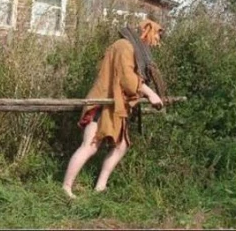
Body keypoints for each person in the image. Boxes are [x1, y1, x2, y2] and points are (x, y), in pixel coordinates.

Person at [62, 18, 165, 199]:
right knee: (90, 146)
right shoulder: (124, 46)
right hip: (104, 103)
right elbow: (127, 79)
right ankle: (66, 187)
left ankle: (100, 187)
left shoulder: (134, 49)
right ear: (147, 30)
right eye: (156, 35)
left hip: (116, 105)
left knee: (121, 146)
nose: (156, 41)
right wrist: (150, 93)